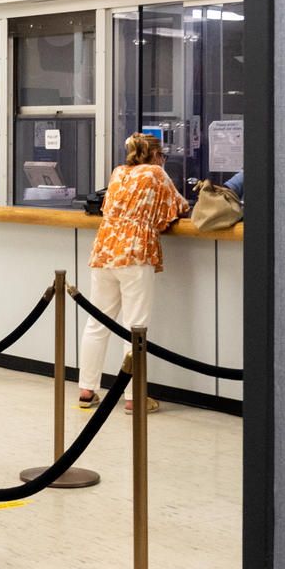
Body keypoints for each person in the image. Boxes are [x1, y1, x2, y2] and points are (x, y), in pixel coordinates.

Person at [77, 134, 189, 414]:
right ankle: (133, 397)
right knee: (135, 327)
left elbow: (106, 208)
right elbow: (179, 208)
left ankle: (87, 390)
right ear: (156, 155)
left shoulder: (118, 173)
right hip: (136, 251)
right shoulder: (156, 173)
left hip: (105, 249)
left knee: (97, 323)